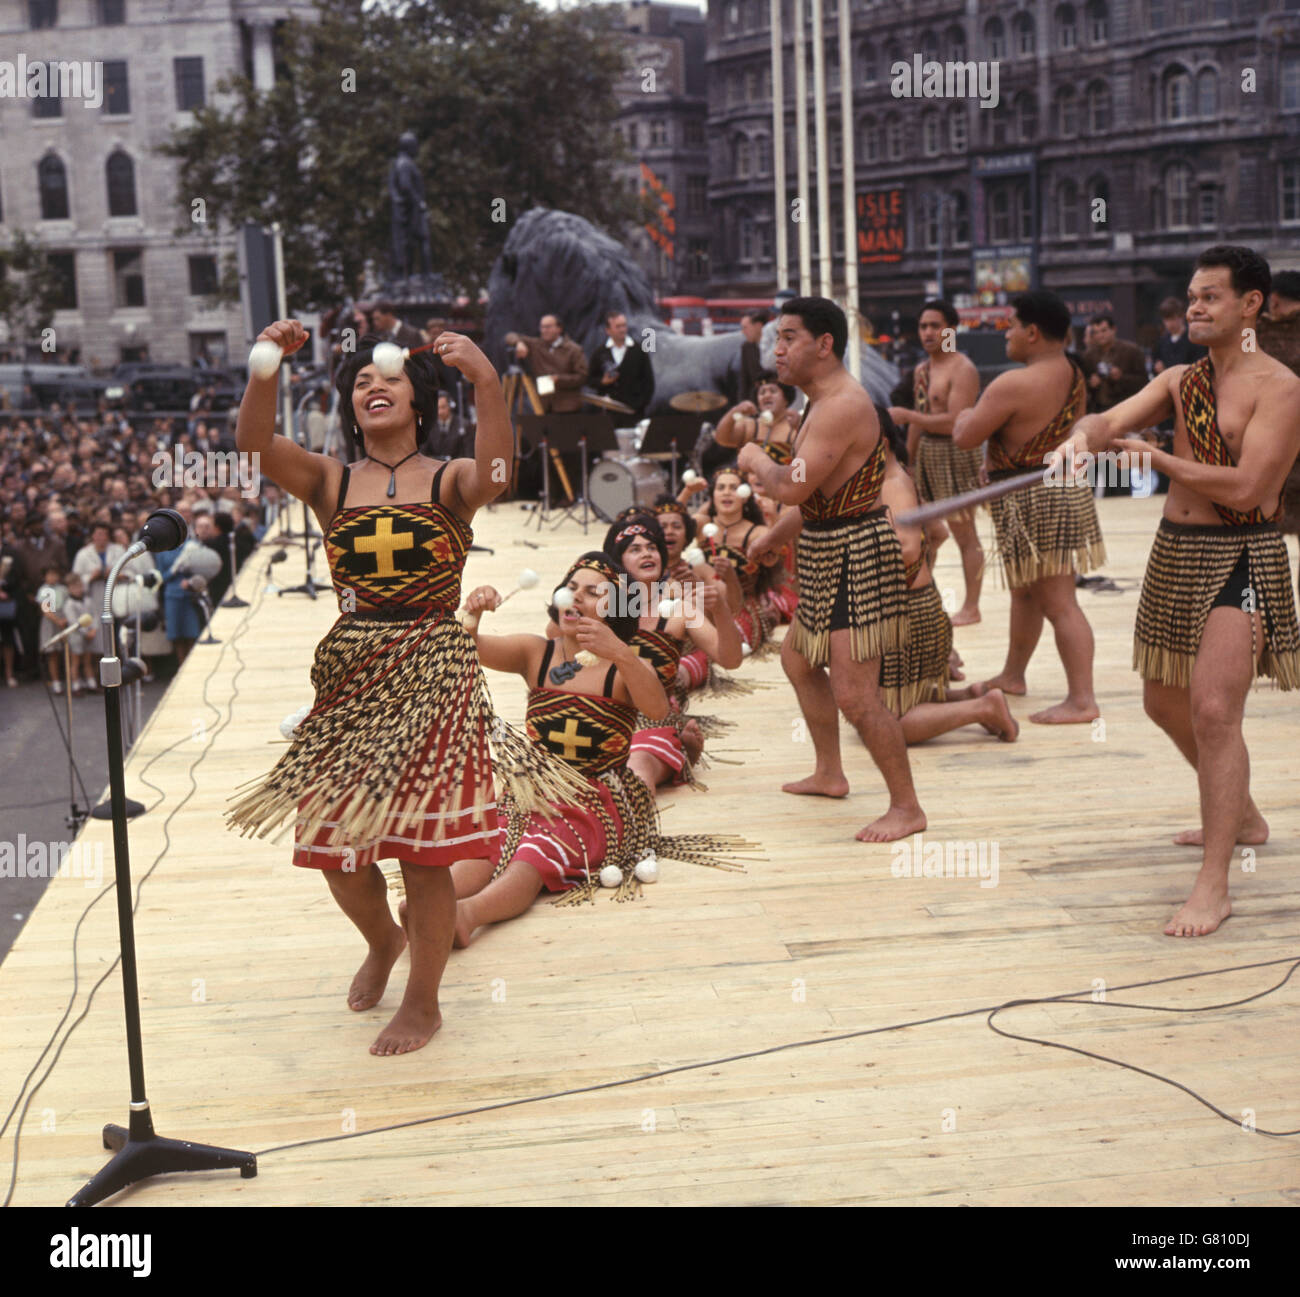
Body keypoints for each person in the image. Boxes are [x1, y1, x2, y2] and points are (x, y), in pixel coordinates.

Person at [226, 322, 586, 1055]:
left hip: (431, 665)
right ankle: (381, 939)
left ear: (418, 399)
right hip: (353, 671)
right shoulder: (331, 480)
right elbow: (254, 449)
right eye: (360, 382)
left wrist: (487, 378)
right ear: (351, 407)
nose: (372, 387)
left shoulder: (450, 477)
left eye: (385, 379)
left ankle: (424, 1001)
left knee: (422, 854)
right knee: (335, 845)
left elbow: (496, 475)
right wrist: (266, 366)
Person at [1054, 244, 1300, 937]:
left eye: (1210, 296)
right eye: (1191, 296)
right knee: (1164, 703)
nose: (1194, 306)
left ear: (1250, 304)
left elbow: (1253, 487)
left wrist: (1157, 458)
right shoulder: (1177, 378)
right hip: (1175, 554)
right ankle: (1241, 811)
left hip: (1242, 555)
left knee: (1216, 709)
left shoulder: (1279, 386)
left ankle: (1215, 883)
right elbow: (1108, 419)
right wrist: (1082, 435)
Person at [451, 555, 747, 942]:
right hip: (531, 793)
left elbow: (657, 710)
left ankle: (467, 916)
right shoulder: (535, 652)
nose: (577, 596)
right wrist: (473, 613)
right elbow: (467, 648)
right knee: (487, 845)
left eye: (593, 592)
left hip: (595, 802)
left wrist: (621, 653)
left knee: (532, 857)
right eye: (572, 587)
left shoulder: (623, 667)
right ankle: (434, 907)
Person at [739, 296, 926, 843]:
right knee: (798, 660)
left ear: (825, 345)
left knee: (856, 694)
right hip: (827, 547)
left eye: (789, 337)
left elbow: (791, 485)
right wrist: (773, 536)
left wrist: (753, 458)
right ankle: (830, 771)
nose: (777, 350)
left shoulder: (842, 403)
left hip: (857, 556)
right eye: (776, 338)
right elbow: (814, 494)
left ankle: (907, 806)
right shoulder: (820, 404)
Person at [953, 290, 1104, 724]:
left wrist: (962, 414)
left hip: (1037, 497)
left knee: (1059, 601)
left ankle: (1083, 700)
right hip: (1046, 491)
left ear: (1033, 332)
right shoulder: (1073, 374)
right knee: (1025, 591)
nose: (1007, 334)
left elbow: (964, 434)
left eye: (1012, 326)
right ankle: (1013, 674)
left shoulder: (1014, 383)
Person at [876, 414, 1018, 744]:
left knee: (885, 725)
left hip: (908, 613)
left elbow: (908, 549)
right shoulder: (892, 480)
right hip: (918, 606)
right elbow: (937, 534)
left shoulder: (892, 484)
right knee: (879, 706)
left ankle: (981, 709)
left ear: (878, 443)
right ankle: (973, 696)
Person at [887, 298, 984, 626]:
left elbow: (956, 421)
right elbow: (918, 423)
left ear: (951, 331)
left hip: (956, 454)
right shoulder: (922, 370)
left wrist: (908, 415)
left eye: (935, 326)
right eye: (923, 326)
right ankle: (920, 596)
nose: (928, 332)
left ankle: (971, 606)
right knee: (924, 529)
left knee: (964, 533)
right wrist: (909, 464)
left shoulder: (964, 369)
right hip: (927, 453)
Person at [504, 315, 588, 413]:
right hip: (542, 406)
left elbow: (583, 376)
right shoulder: (536, 345)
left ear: (559, 328)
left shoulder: (573, 350)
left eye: (548, 327)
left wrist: (559, 379)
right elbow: (510, 336)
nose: (544, 330)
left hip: (567, 407)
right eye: (542, 327)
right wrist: (518, 343)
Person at [589, 311, 654, 418]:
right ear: (608, 330)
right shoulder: (599, 353)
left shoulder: (639, 350)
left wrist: (639, 405)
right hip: (609, 413)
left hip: (633, 413)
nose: (622, 329)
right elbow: (590, 380)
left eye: (624, 325)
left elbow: (648, 382)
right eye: (618, 326)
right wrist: (602, 382)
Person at [1082, 312, 1147, 414]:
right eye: (1096, 332)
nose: (1100, 335)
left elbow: (1144, 382)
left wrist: (1121, 377)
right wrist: (1090, 383)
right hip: (1098, 411)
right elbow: (1082, 384)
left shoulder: (1131, 351)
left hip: (1125, 409)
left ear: (1113, 329)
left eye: (1104, 330)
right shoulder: (1088, 355)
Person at [421, 392, 468, 460]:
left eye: (443, 407)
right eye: (437, 408)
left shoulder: (464, 425)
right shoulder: (429, 425)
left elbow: (468, 455)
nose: (440, 412)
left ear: (450, 406)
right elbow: (423, 453)